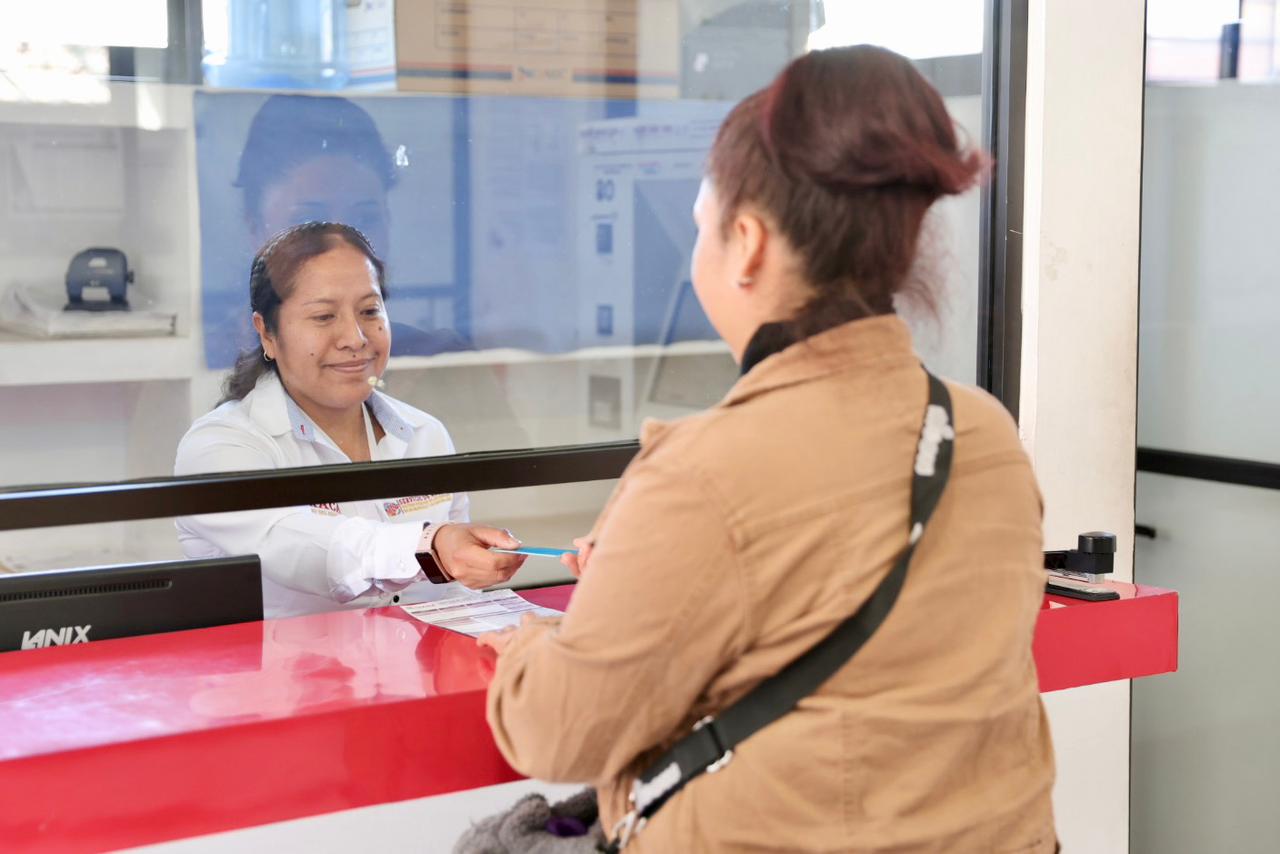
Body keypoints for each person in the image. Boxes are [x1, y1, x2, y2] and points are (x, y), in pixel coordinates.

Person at [479, 46, 1056, 852]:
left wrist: (531, 644)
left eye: (701, 227)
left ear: (746, 243)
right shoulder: (984, 432)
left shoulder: (706, 470)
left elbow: (555, 733)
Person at [175, 222, 526, 619]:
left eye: (370, 311)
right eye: (324, 316)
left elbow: (453, 598)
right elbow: (305, 552)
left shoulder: (425, 435)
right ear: (267, 333)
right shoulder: (219, 448)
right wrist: (430, 545)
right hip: (284, 676)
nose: (356, 337)